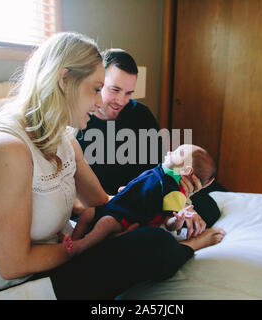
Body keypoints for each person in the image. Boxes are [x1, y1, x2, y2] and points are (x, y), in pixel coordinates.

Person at [0, 32, 220, 299]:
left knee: (186, 215)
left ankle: (180, 237)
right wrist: (85, 246)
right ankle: (189, 246)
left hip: (60, 251)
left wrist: (172, 197)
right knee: (153, 244)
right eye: (96, 89)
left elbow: (101, 199)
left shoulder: (64, 140)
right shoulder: (5, 150)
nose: (100, 102)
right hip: (14, 284)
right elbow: (13, 265)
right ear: (65, 79)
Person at [76, 48, 228, 235]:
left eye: (129, 93)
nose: (121, 101)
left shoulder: (140, 113)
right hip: (114, 201)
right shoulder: (81, 121)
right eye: (115, 90)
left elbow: (163, 165)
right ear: (100, 83)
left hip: (152, 193)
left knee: (209, 208)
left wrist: (183, 197)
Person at [65, 144, 226, 256]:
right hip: (117, 204)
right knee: (87, 214)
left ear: (186, 169)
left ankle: (81, 247)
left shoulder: (175, 191)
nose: (170, 151)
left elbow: (169, 222)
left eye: (179, 152)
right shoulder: (162, 171)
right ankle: (74, 241)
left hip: (126, 216)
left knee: (105, 224)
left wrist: (178, 218)